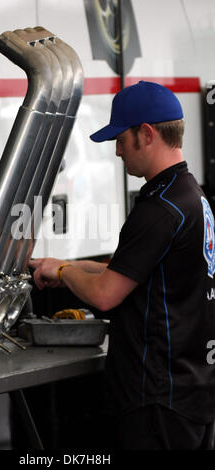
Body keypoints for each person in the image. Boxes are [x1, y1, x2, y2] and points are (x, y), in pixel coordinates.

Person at [29, 81, 215, 450]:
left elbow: (105, 295)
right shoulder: (191, 196)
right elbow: (129, 270)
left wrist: (65, 274)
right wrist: (62, 264)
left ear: (146, 134)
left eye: (120, 139)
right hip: (192, 392)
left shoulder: (160, 208)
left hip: (160, 401)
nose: (117, 151)